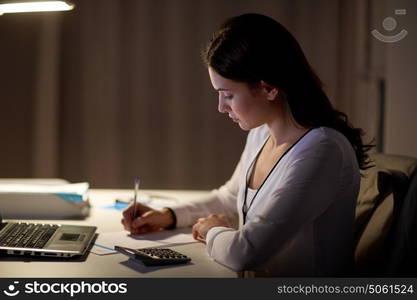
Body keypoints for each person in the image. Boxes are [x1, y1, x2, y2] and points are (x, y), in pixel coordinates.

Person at [121, 13, 372, 277]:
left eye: (228, 95)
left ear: (268, 89)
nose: (221, 107)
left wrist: (212, 230)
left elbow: (246, 252)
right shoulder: (263, 133)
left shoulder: (322, 150)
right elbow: (228, 199)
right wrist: (168, 215)